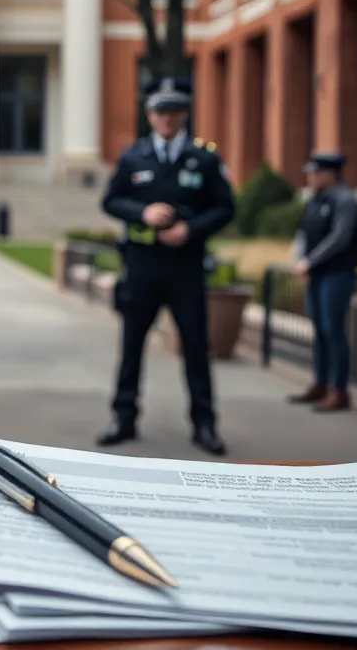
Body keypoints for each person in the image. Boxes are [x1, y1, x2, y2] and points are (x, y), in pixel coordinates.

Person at [96, 78, 236, 456]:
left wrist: (191, 229)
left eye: (174, 110)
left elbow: (225, 208)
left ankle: (204, 424)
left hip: (185, 266)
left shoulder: (204, 158)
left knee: (194, 345)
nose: (167, 118)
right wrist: (143, 212)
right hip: (142, 264)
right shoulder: (133, 157)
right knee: (132, 344)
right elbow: (110, 201)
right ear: (150, 115)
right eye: (160, 111)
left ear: (185, 113)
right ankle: (123, 417)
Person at [288, 152, 357, 412]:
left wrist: (311, 261)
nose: (311, 177)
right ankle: (320, 382)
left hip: (337, 274)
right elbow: (304, 233)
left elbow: (340, 238)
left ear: (332, 174)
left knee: (333, 329)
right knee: (319, 330)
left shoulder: (345, 199)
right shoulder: (316, 200)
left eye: (316, 172)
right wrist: (301, 261)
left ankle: (339, 390)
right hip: (316, 274)